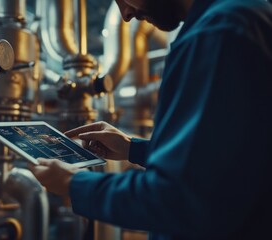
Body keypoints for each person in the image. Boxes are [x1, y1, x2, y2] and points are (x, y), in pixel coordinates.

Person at [28, 0, 272, 239]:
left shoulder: (218, 31)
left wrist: (73, 184)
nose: (124, 13)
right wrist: (133, 148)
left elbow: (179, 198)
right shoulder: (239, 17)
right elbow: (224, 159)